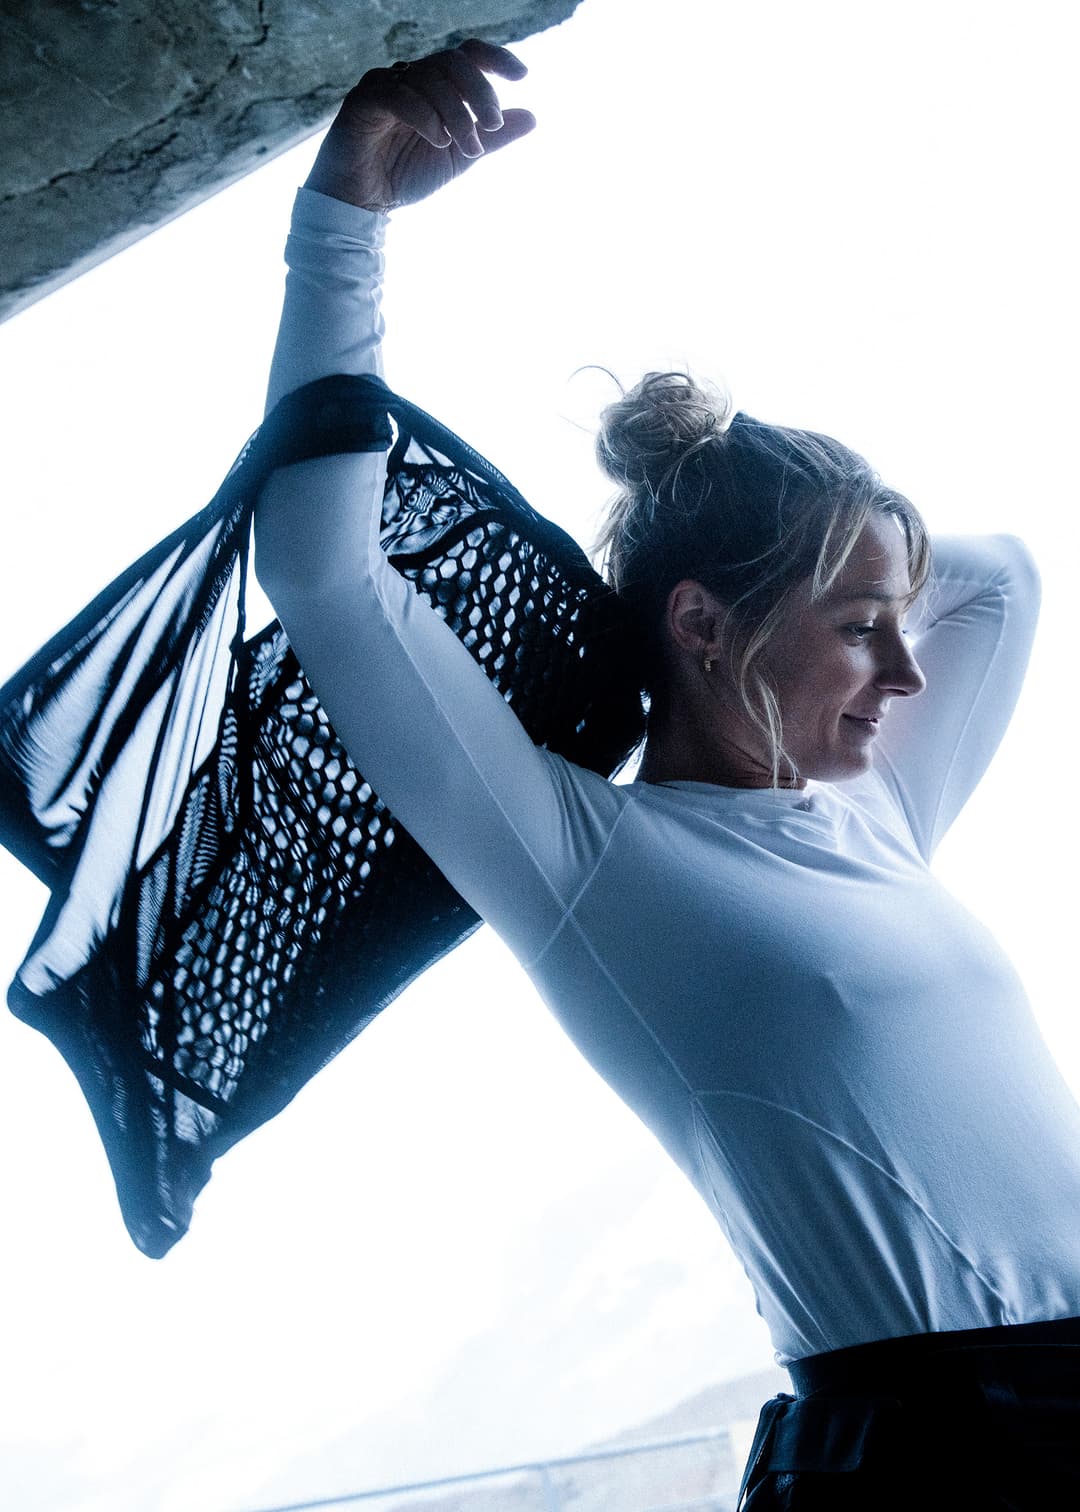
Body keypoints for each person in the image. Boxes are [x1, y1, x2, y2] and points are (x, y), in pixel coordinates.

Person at [253, 38, 1080, 1510]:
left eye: (897, 627)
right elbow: (328, 578)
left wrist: (836, 553)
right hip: (939, 1451)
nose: (905, 674)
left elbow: (1006, 581)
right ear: (701, 623)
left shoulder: (878, 812)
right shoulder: (590, 865)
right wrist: (346, 221)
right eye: (858, 632)